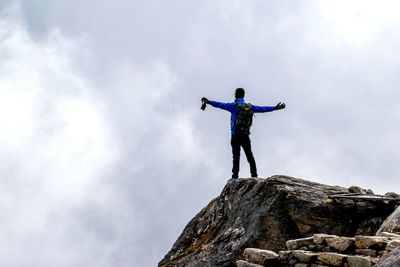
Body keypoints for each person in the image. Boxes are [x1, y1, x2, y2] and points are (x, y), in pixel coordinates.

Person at [202, 88, 285, 179]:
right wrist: (275, 108)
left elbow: (220, 105)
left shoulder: (233, 106)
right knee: (249, 155)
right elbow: (262, 109)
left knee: (236, 156)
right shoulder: (249, 106)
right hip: (245, 135)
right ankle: (254, 175)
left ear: (235, 95)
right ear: (243, 95)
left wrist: (209, 102)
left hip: (235, 135)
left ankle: (235, 176)